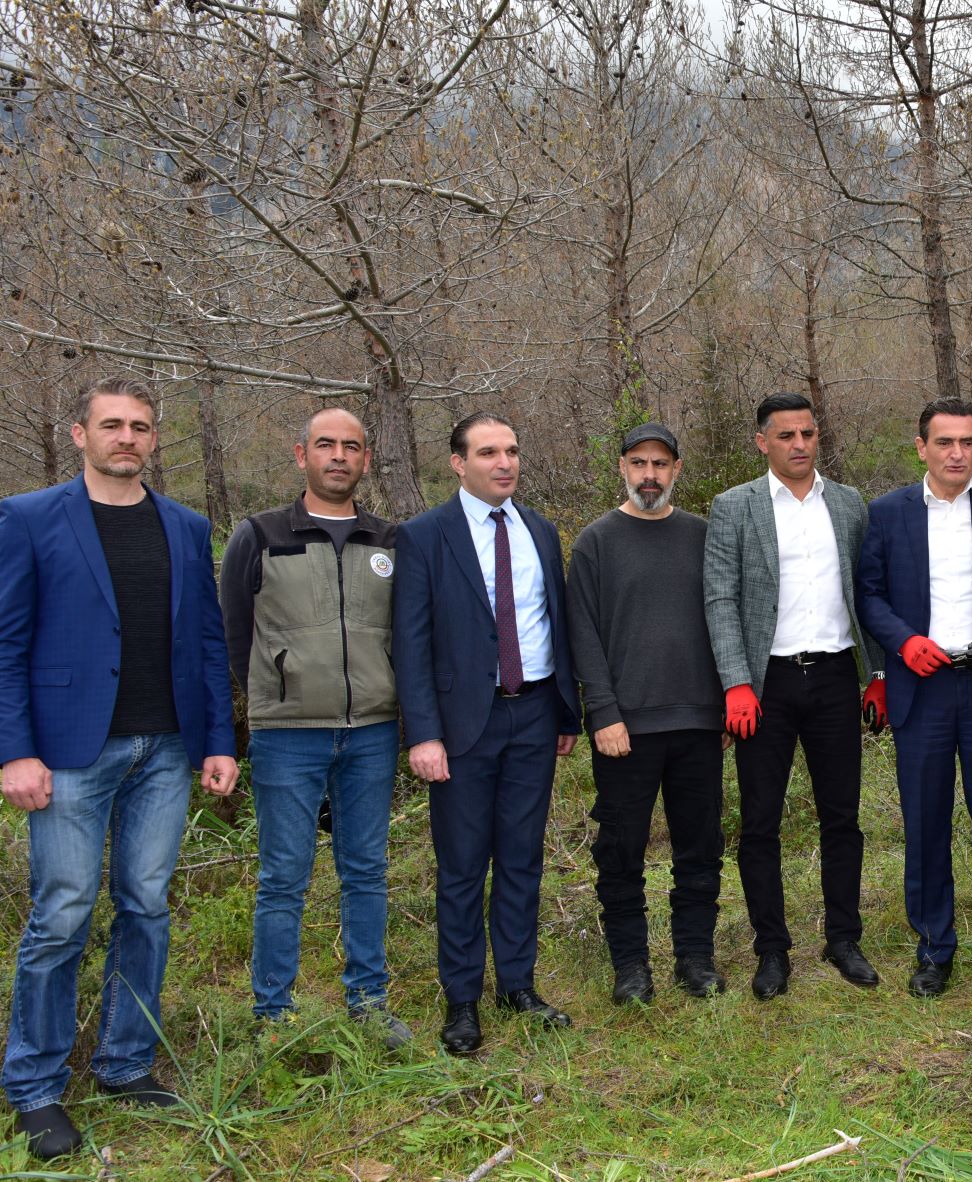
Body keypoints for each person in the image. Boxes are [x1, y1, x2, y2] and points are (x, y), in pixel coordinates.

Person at [0, 378, 237, 1160]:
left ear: (154, 438)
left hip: (165, 748)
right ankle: (35, 1087)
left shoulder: (186, 526)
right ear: (80, 434)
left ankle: (125, 1062)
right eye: (111, 424)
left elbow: (207, 641)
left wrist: (217, 740)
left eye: (139, 425)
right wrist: (14, 750)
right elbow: (6, 642)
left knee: (146, 905)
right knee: (63, 913)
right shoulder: (29, 518)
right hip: (69, 751)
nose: (126, 437)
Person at [219, 408, 411, 1049]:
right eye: (325, 445)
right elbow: (233, 633)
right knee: (283, 877)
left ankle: (369, 1003)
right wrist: (271, 694)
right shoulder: (260, 535)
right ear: (301, 454)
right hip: (288, 734)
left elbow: (408, 631)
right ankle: (273, 1013)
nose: (338, 456)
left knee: (366, 870)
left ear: (366, 459)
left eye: (351, 446)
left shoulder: (388, 540)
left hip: (373, 731)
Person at [392, 411, 580, 1055]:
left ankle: (518, 985)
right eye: (489, 453)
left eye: (512, 451)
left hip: (534, 714)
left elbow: (554, 623)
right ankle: (463, 999)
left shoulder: (540, 530)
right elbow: (410, 643)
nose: (505, 463)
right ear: (458, 462)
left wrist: (565, 712)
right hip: (462, 725)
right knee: (463, 865)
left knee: (523, 858)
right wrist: (423, 734)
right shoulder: (425, 535)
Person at [857, 398, 972, 1006]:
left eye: (967, 442)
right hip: (923, 685)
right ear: (921, 448)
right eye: (944, 442)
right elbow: (869, 595)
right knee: (926, 820)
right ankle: (934, 947)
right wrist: (904, 642)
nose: (956, 453)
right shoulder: (888, 512)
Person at [704, 394, 886, 1000]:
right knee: (760, 822)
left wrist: (877, 674)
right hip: (766, 685)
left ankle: (843, 939)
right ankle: (772, 949)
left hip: (835, 677)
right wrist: (736, 682)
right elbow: (720, 598)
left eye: (808, 433)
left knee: (843, 817)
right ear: (763, 442)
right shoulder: (734, 507)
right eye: (786, 435)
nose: (800, 444)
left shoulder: (849, 503)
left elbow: (866, 593)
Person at [569, 423, 727, 1004]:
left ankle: (695, 957)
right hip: (625, 729)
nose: (650, 475)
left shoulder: (703, 536)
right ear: (623, 468)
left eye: (661, 464)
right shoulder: (596, 542)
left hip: (699, 723)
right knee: (620, 852)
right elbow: (582, 634)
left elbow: (725, 618)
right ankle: (631, 966)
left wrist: (725, 701)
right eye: (639, 463)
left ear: (677, 470)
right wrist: (602, 712)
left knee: (700, 848)